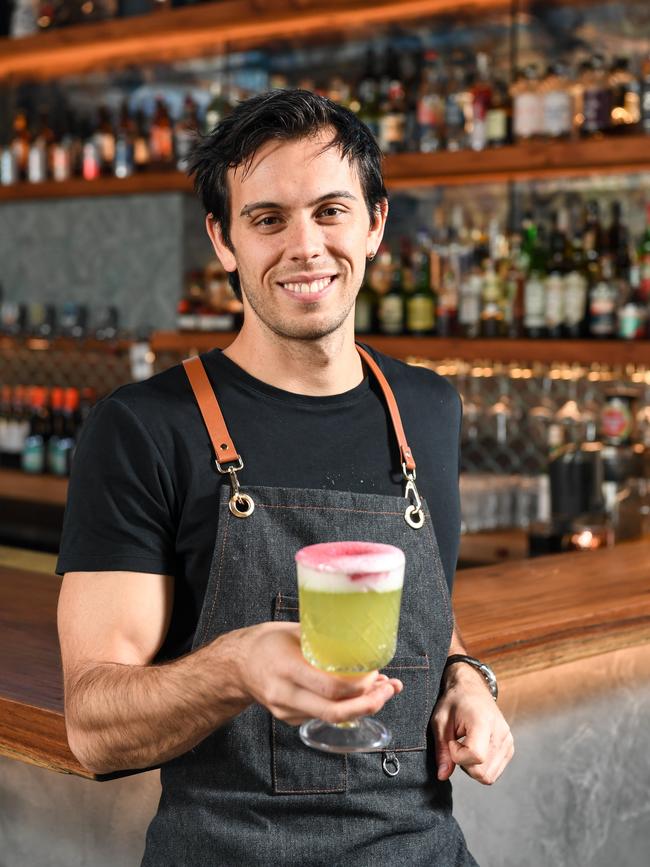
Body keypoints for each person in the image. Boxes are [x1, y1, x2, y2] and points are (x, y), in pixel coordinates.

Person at [57, 89, 513, 866]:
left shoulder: (427, 409)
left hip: (423, 852)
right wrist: (235, 666)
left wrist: (465, 674)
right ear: (224, 241)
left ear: (375, 223)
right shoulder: (142, 427)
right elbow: (93, 726)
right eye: (268, 219)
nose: (305, 245)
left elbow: (420, 611)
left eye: (331, 210)